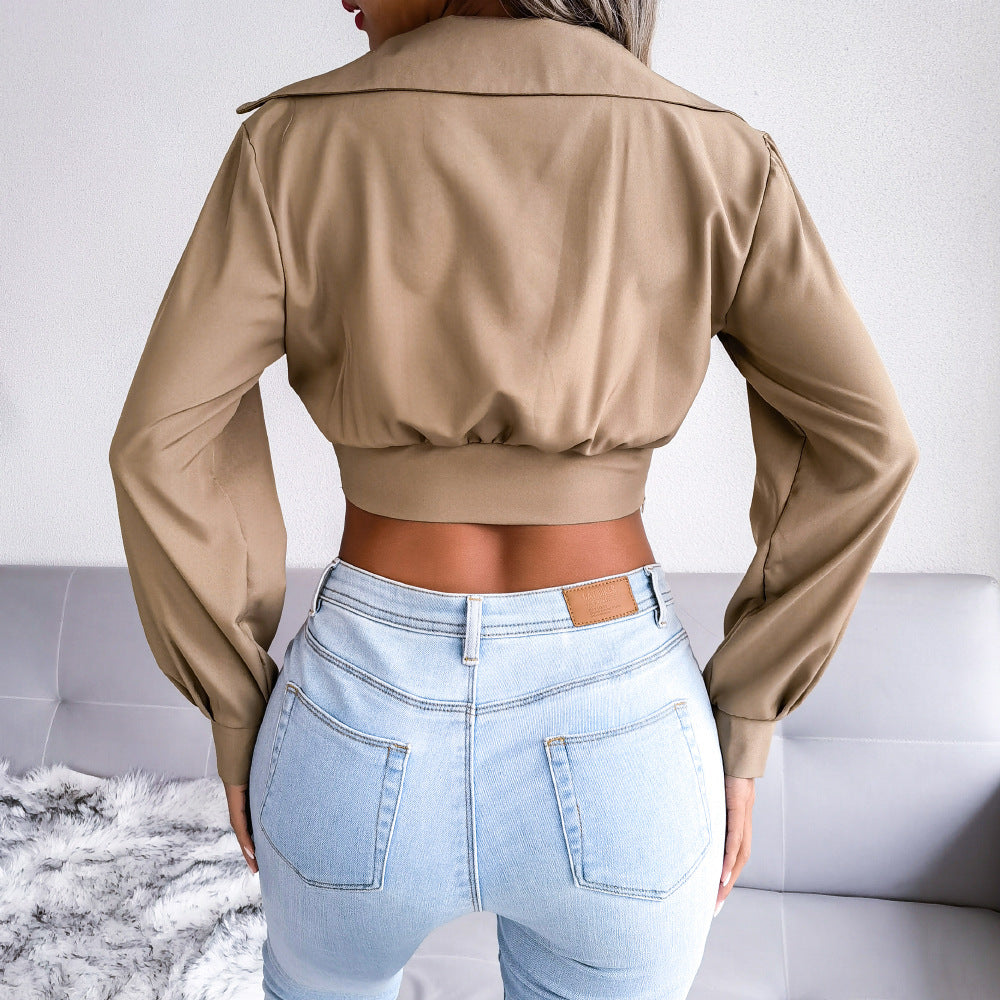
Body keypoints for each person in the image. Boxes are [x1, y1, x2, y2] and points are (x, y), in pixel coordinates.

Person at [108, 0, 919, 996]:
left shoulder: (291, 141)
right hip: (624, 724)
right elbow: (867, 444)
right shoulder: (716, 151)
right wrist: (747, 709)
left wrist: (236, 705)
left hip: (357, 713)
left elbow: (159, 442)